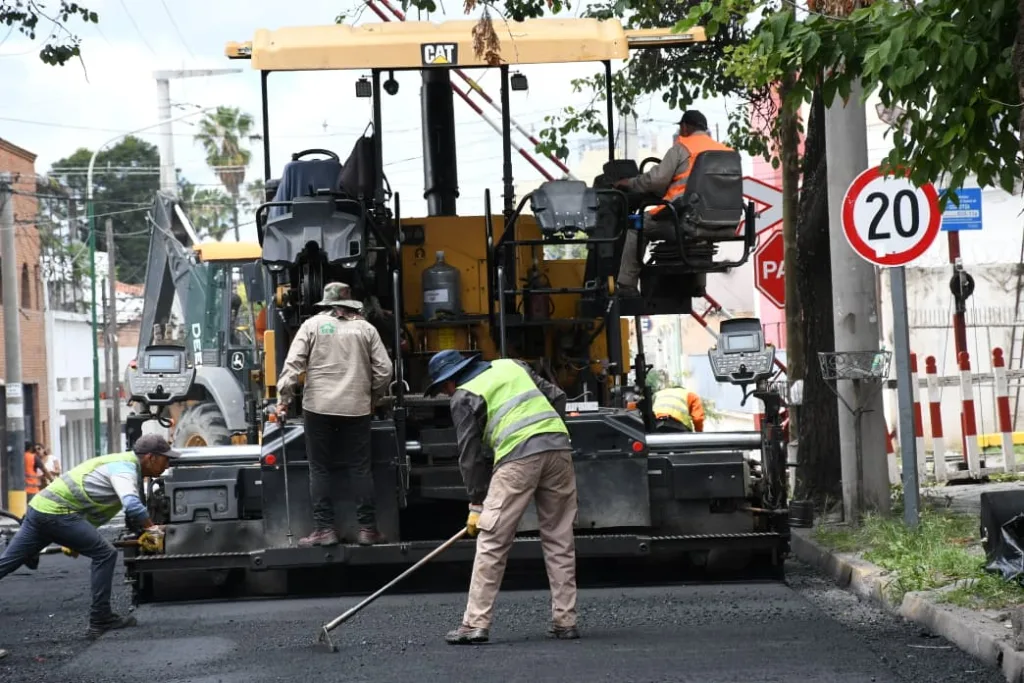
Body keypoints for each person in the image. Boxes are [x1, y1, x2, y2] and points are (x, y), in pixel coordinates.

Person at [425, 350, 579, 645]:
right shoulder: (512, 365)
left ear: (451, 380)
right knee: (560, 538)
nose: (446, 392)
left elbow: (469, 458)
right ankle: (565, 622)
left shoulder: (464, 396)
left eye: (443, 386)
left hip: (518, 459)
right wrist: (545, 434)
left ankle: (474, 624)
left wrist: (476, 504)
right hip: (559, 449)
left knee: (492, 540)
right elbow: (558, 397)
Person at [0, 434, 177, 640]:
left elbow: (91, 506)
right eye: (166, 458)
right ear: (150, 457)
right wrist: (152, 530)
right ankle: (100, 620)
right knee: (105, 554)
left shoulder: (120, 463)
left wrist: (77, 538)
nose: (168, 464)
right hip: (57, 513)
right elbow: (132, 505)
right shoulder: (124, 469)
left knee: (8, 562)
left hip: (39, 509)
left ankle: (101, 618)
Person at [276, 282, 393, 548]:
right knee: (360, 467)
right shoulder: (366, 328)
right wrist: (372, 396)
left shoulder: (312, 326)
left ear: (327, 303)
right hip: (356, 407)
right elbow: (385, 370)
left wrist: (283, 400)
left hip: (317, 408)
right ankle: (367, 529)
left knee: (319, 468)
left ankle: (324, 529)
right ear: (350, 302)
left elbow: (292, 366)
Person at [613, 110, 734, 296]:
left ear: (684, 127)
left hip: (686, 220)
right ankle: (697, 283)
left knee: (637, 226)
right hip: (722, 223)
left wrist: (630, 183)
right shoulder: (727, 152)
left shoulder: (682, 147)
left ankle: (626, 286)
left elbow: (657, 180)